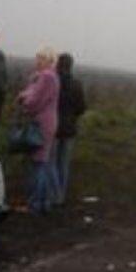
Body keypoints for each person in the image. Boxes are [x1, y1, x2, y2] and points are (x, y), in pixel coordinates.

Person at [16, 48, 60, 214]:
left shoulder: (47, 76)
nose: (38, 62)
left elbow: (34, 100)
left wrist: (22, 100)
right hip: (47, 122)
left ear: (50, 61)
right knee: (42, 163)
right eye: (38, 58)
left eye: (42, 59)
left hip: (41, 123)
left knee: (38, 163)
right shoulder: (50, 77)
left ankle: (35, 205)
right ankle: (43, 203)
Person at [52, 53, 87, 206]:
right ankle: (61, 196)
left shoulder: (53, 81)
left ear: (59, 64)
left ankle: (53, 195)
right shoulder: (77, 84)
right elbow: (82, 107)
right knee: (63, 164)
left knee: (51, 162)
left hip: (53, 128)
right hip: (70, 128)